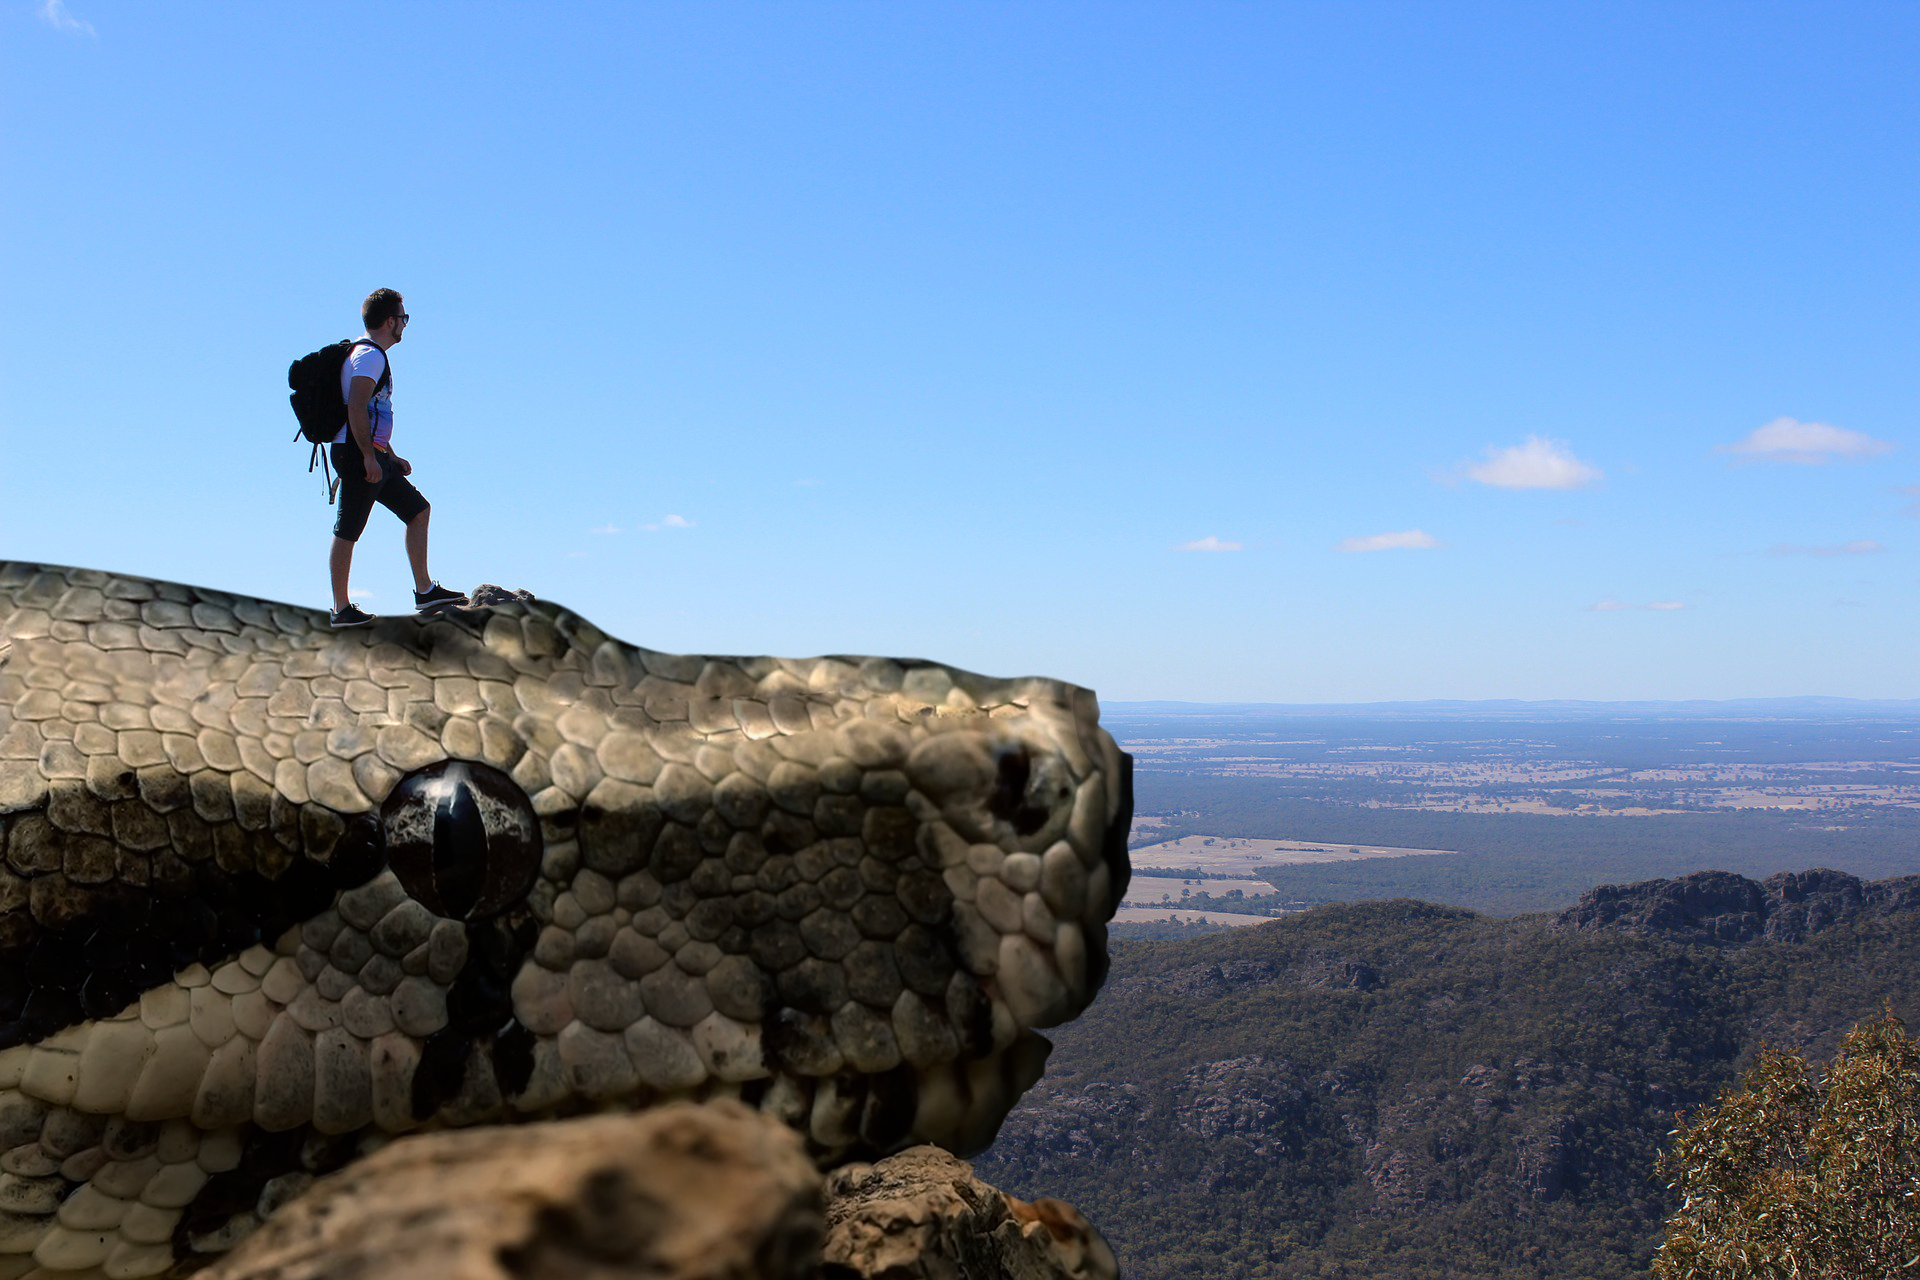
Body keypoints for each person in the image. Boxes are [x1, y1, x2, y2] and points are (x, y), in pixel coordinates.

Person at [326, 288, 466, 627]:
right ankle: (341, 610)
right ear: (390, 321)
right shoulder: (369, 357)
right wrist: (368, 458)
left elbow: (372, 412)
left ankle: (425, 590)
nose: (405, 325)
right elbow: (356, 407)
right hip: (358, 454)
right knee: (348, 529)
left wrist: (390, 455)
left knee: (418, 510)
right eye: (403, 318)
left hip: (372, 452)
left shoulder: (369, 355)